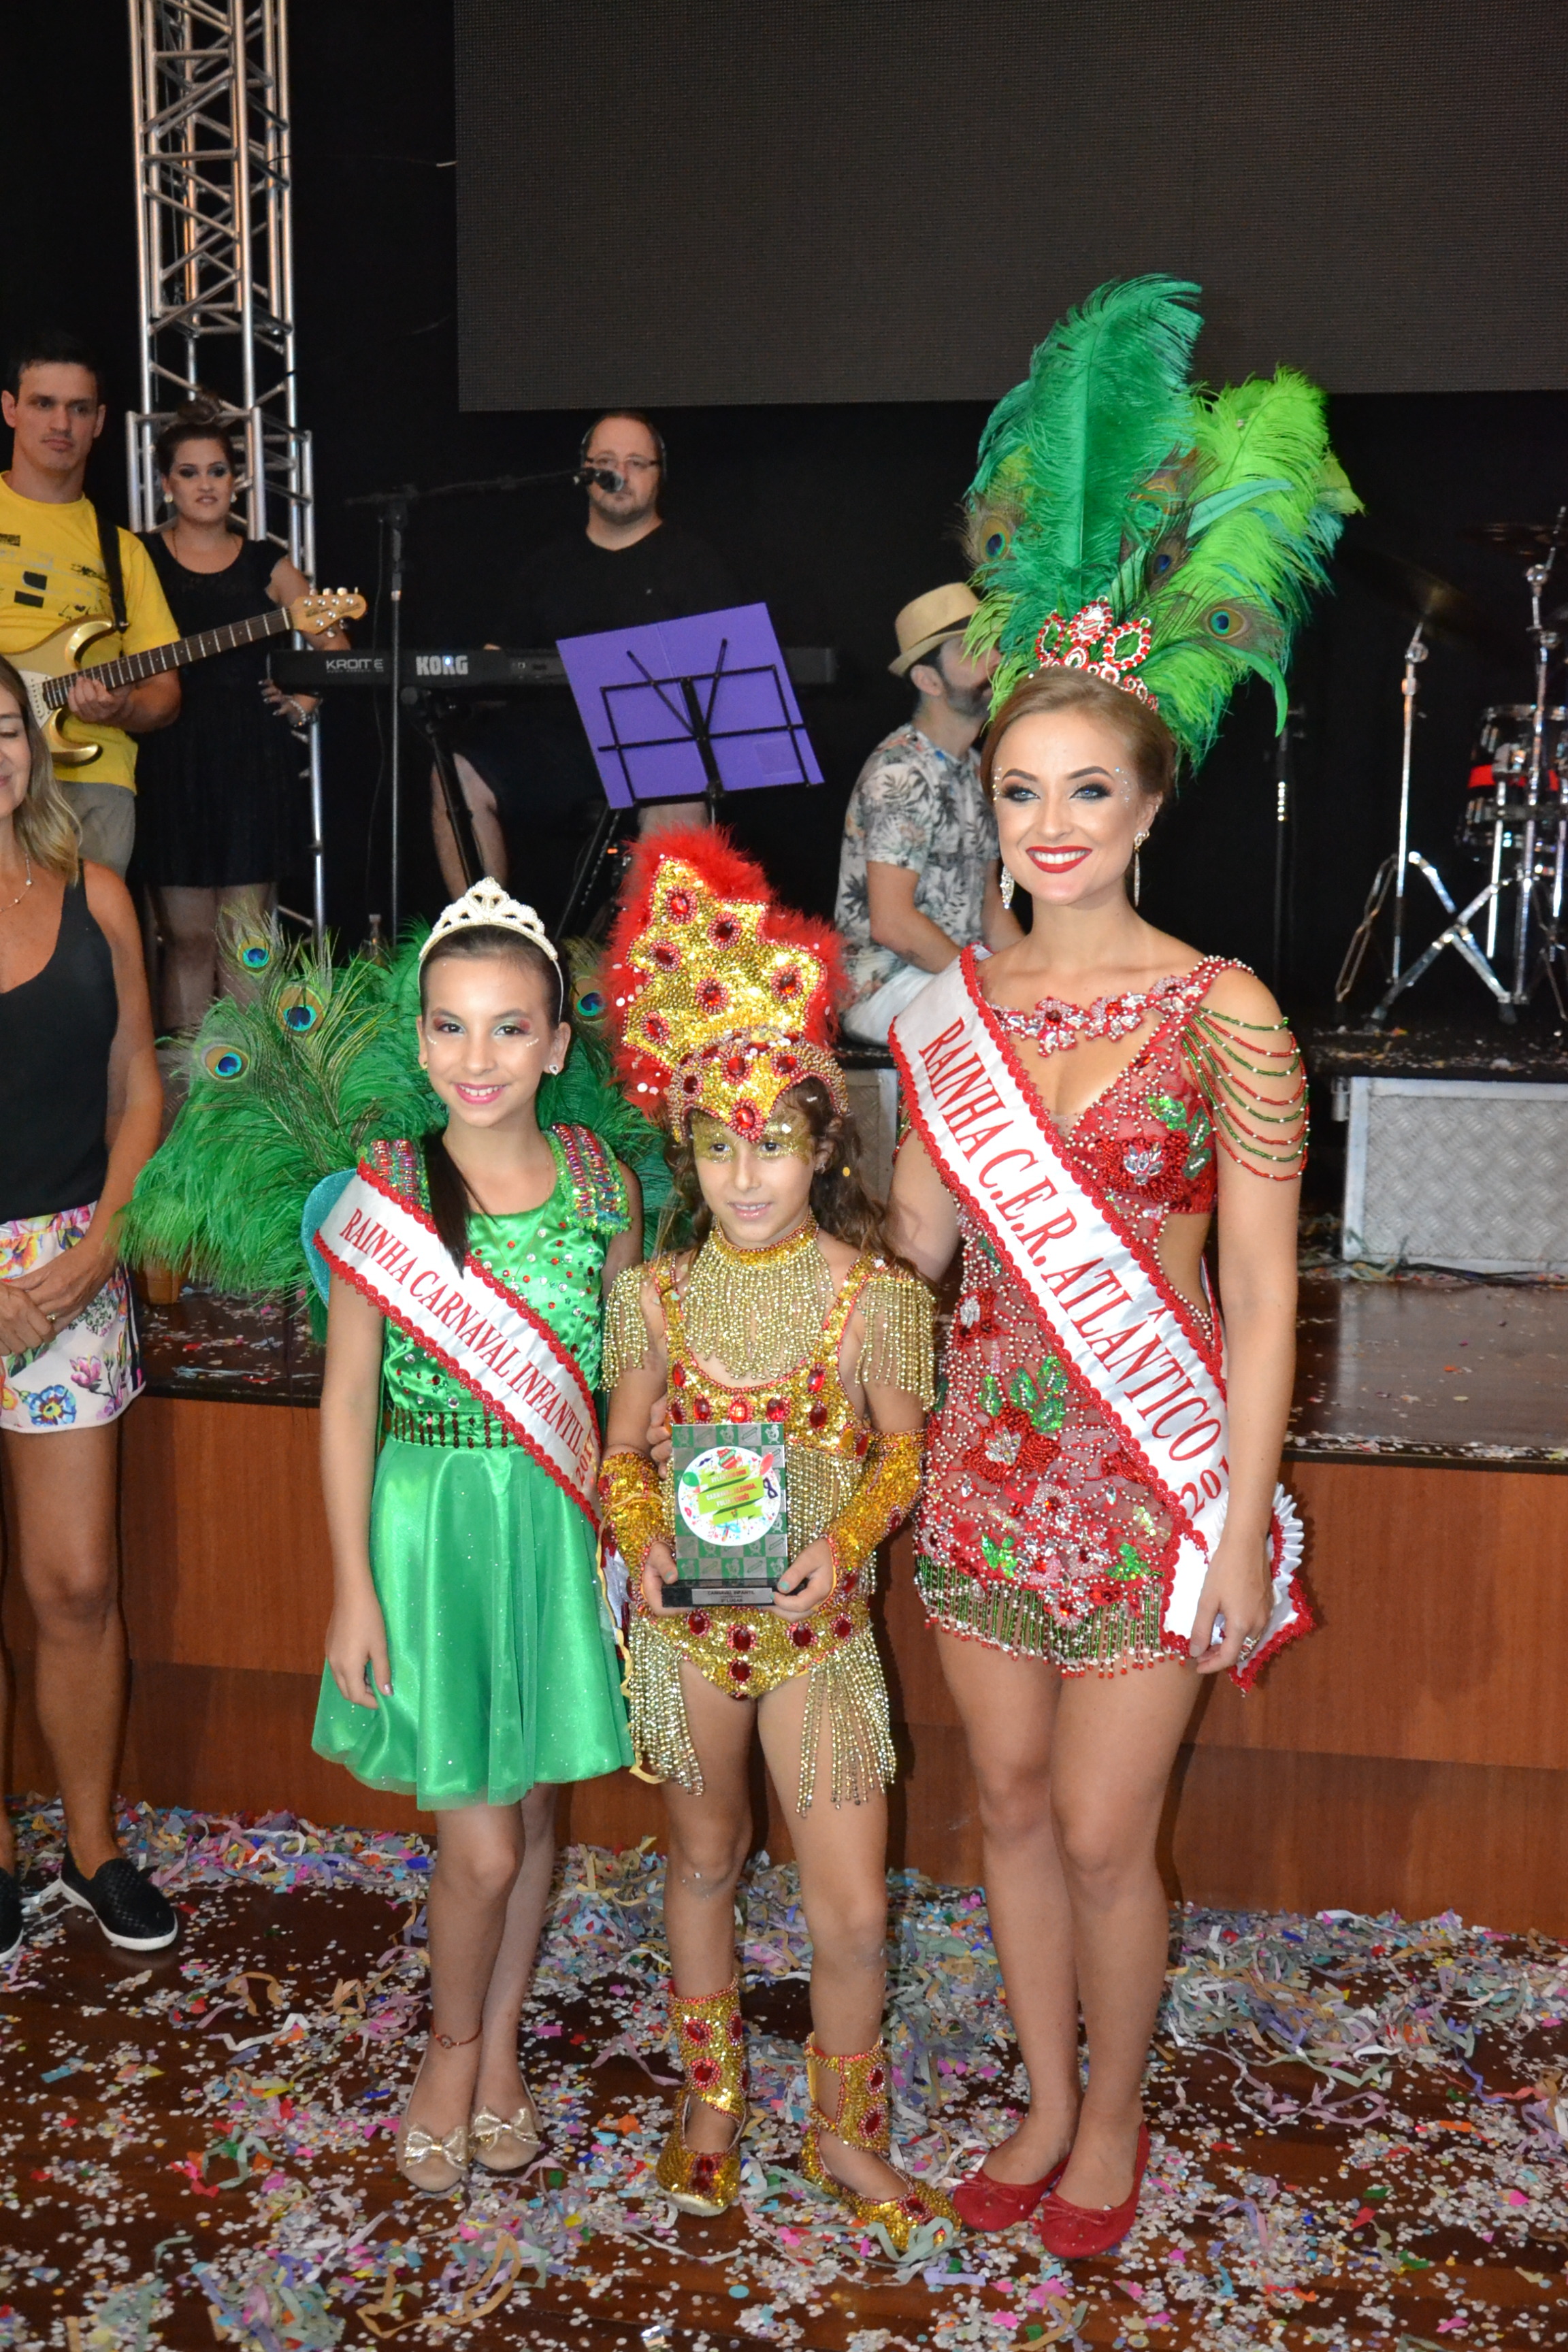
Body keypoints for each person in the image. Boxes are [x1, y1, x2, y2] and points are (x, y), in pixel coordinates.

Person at [885, 275, 1352, 2260]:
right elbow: (918, 1246)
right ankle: (1046, 2089)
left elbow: (1264, 1299)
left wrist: (1240, 1520)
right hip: (984, 1456)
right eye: (1022, 789)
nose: (1053, 822)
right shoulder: (950, 1014)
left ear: (1151, 801)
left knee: (1099, 1828)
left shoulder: (1230, 1011)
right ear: (986, 805)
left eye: (1089, 789)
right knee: (999, 1810)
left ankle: (1120, 2112)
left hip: (1150, 1473)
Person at [597, 826, 956, 2254]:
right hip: (689, 1631)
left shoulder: (878, 1294)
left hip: (818, 1636)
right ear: (685, 1147)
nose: (746, 1175)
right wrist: (639, 1541)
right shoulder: (651, 1296)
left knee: (850, 1914)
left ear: (824, 1140)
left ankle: (842, 2130)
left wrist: (848, 1540)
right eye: (717, 1144)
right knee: (700, 1864)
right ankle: (713, 2104)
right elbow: (622, 1453)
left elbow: (902, 1452)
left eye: (774, 1142)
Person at [308, 878, 642, 2193]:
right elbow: (347, 1400)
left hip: (554, 1529)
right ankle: (448, 2051)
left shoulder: (602, 1180)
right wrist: (353, 1586)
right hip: (427, 1529)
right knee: (482, 1843)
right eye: (450, 1026)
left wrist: (626, 1523)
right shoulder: (385, 1189)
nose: (478, 1056)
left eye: (510, 1028)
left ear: (556, 1044)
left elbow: (629, 1376)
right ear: (420, 1038)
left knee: (537, 1802)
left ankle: (499, 2046)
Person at [0, 655, 174, 1959]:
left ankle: (92, 1843)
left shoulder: (96, 894)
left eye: (3, 728)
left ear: (34, 742)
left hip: (74, 1268)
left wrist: (104, 1241)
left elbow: (138, 1088)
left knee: (77, 1583)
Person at [436, 411, 740, 911]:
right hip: (558, 749)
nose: (620, 473)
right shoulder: (546, 567)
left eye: (636, 462)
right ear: (584, 472)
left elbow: (727, 680)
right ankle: (486, 931)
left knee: (682, 782)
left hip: (656, 748)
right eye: (606, 461)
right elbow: (497, 666)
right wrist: (463, 684)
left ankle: (640, 950)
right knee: (455, 770)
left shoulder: (695, 565)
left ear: (659, 474)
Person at [135, 393, 351, 1032]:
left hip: (251, 763)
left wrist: (302, 701)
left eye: (218, 471)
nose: (206, 485)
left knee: (247, 942)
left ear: (237, 481)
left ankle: (252, 1087)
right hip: (169, 757)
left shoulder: (266, 563)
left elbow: (336, 648)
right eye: (189, 472)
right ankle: (185, 1090)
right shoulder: (138, 557)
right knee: (186, 939)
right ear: (166, 484)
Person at [0, 331, 179, 877]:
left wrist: (121, 708)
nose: (62, 424)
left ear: (99, 422)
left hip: (93, 781)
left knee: (89, 931)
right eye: (43, 404)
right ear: (10, 409)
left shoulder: (123, 552)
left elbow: (165, 694)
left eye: (79, 409)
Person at [836, 584, 1020, 1046]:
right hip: (884, 987)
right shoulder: (900, 771)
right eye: (972, 649)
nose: (995, 660)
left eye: (993, 644)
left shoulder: (977, 769)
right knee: (1010, 1033)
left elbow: (991, 907)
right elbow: (894, 926)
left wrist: (1037, 977)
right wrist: (989, 985)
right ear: (929, 681)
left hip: (952, 977)